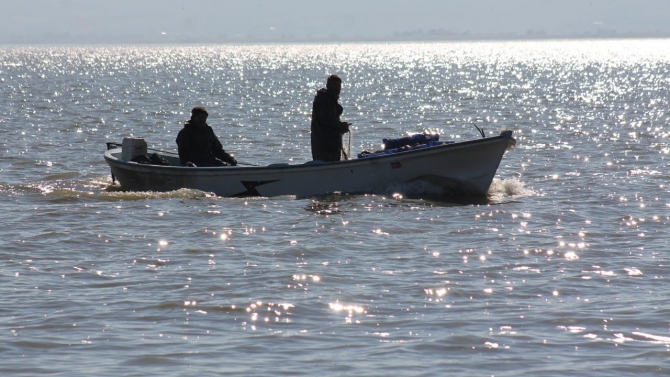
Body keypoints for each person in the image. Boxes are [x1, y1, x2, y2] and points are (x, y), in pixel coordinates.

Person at [310, 74, 351, 161]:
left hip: (331, 143)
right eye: (334, 85)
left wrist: (341, 127)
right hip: (324, 144)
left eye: (338, 85)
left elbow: (331, 120)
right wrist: (341, 126)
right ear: (328, 86)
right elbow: (326, 121)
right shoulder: (324, 100)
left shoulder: (331, 100)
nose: (337, 88)